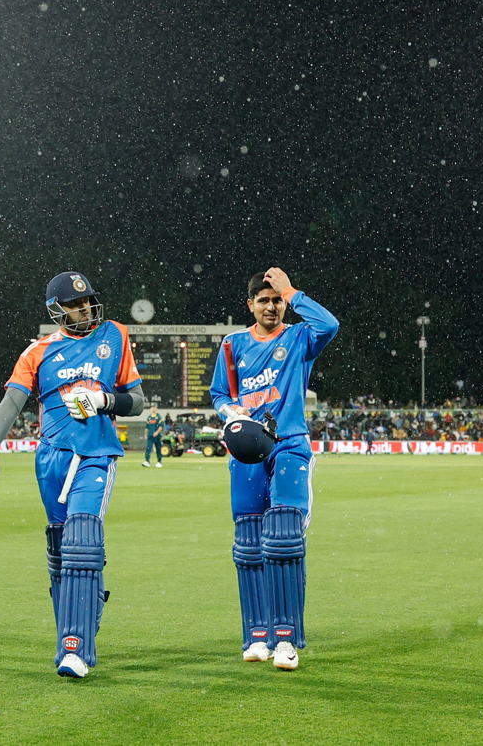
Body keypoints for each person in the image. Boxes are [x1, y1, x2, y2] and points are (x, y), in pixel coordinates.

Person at [0, 271, 145, 678]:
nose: (85, 308)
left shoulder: (114, 335)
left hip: (96, 454)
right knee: (62, 551)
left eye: (87, 301)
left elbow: (137, 401)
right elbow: (12, 402)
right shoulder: (38, 353)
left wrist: (104, 399)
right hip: (51, 459)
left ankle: (75, 648)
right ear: (56, 310)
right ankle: (80, 618)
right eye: (75, 304)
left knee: (83, 541)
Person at [210, 267, 338, 671]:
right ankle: (256, 636)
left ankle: (286, 640)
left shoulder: (299, 337)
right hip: (247, 450)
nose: (270, 306)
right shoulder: (232, 345)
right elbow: (219, 393)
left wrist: (292, 289)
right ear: (250, 305)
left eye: (276, 299)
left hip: (289, 444)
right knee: (248, 545)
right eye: (263, 300)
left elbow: (329, 323)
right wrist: (234, 414)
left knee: (282, 538)